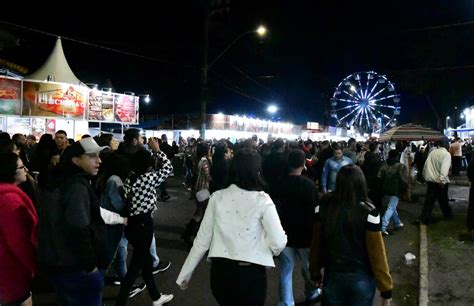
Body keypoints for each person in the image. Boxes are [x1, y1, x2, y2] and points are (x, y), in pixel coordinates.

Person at [176, 149, 287, 306]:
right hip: (251, 274)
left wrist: (185, 274)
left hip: (220, 272)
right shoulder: (263, 200)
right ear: (257, 172)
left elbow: (202, 241)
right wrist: (266, 248)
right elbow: (278, 242)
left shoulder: (217, 197)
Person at [310, 165, 393, 306]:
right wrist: (386, 289)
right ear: (361, 183)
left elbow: (316, 244)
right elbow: (377, 254)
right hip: (362, 278)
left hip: (333, 275)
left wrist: (315, 272)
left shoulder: (323, 206)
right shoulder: (370, 212)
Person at [41, 138, 110, 305]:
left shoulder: (60, 180)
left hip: (61, 264)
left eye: (99, 156)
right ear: (76, 160)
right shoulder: (77, 187)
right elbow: (78, 228)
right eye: (92, 156)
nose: (99, 160)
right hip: (77, 267)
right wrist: (90, 266)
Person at [116, 138, 174, 306]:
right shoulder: (147, 179)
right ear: (146, 166)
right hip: (143, 224)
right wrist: (157, 150)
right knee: (135, 267)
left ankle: (156, 297)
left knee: (145, 261)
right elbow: (168, 168)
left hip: (132, 224)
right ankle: (120, 302)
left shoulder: (130, 179)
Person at [276, 149, 321, 305]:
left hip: (284, 234)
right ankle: (312, 293)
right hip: (305, 235)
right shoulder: (309, 185)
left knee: (286, 270)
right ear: (303, 164)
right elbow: (315, 212)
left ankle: (286, 302)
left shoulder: (279, 184)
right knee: (308, 269)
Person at [0, 152, 38, 306]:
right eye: (22, 167)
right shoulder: (9, 199)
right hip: (10, 270)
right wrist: (33, 267)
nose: (26, 170)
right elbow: (18, 242)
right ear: (11, 172)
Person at [419, 137, 453, 225]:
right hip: (440, 182)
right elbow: (444, 170)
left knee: (429, 201)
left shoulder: (432, 152)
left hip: (431, 181)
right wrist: (442, 181)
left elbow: (426, 165)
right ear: (445, 144)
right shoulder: (446, 154)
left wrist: (425, 177)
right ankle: (448, 215)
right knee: (443, 200)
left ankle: (424, 218)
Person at [378, 150, 408, 236]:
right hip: (396, 190)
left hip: (385, 190)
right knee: (391, 208)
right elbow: (404, 181)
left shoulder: (384, 165)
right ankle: (383, 227)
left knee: (392, 207)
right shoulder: (401, 167)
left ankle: (397, 223)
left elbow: (379, 177)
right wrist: (403, 190)